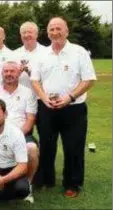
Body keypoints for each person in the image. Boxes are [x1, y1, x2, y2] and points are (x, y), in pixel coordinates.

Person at [31, 17, 97, 198]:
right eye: (51, 29)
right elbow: (35, 80)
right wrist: (44, 99)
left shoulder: (79, 52)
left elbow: (89, 79)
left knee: (73, 146)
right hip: (47, 108)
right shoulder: (42, 54)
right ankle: (46, 180)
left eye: (59, 28)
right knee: (47, 145)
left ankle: (72, 183)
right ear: (47, 32)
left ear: (66, 31)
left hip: (74, 108)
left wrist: (70, 97)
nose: (55, 32)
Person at [0, 59, 39, 203]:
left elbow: (30, 120)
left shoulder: (28, 92)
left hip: (22, 134)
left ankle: (28, 184)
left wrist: (16, 136)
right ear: (2, 73)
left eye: (12, 71)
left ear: (19, 73)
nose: (9, 74)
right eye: (6, 71)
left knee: (32, 149)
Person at [13, 22, 47, 89]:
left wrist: (31, 73)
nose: (26, 35)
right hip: (20, 96)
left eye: (29, 32)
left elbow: (50, 77)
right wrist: (17, 73)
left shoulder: (46, 52)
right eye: (24, 33)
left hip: (41, 97)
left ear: (36, 34)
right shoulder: (14, 54)